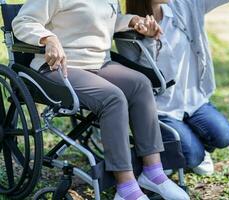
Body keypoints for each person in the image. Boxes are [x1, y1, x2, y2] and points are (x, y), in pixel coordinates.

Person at [12, 0, 190, 199]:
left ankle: (153, 172)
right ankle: (126, 188)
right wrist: (48, 38)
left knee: (140, 84)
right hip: (58, 67)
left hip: (99, 63)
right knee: (112, 98)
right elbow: (23, 21)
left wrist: (133, 21)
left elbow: (105, 22)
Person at [117, 0, 229, 176]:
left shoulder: (186, 6)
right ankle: (184, 148)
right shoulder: (127, 29)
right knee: (193, 156)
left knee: (224, 136)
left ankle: (190, 140)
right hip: (161, 109)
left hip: (193, 102)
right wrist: (149, 40)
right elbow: (139, 77)